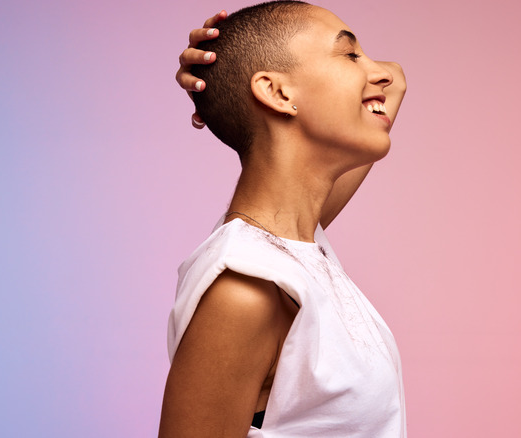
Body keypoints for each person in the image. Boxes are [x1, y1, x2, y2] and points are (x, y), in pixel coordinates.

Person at [160, 2, 407, 436]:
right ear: (278, 93)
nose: (382, 73)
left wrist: (222, 81)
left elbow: (394, 83)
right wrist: (228, 78)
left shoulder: (298, 244)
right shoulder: (245, 290)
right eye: (350, 55)